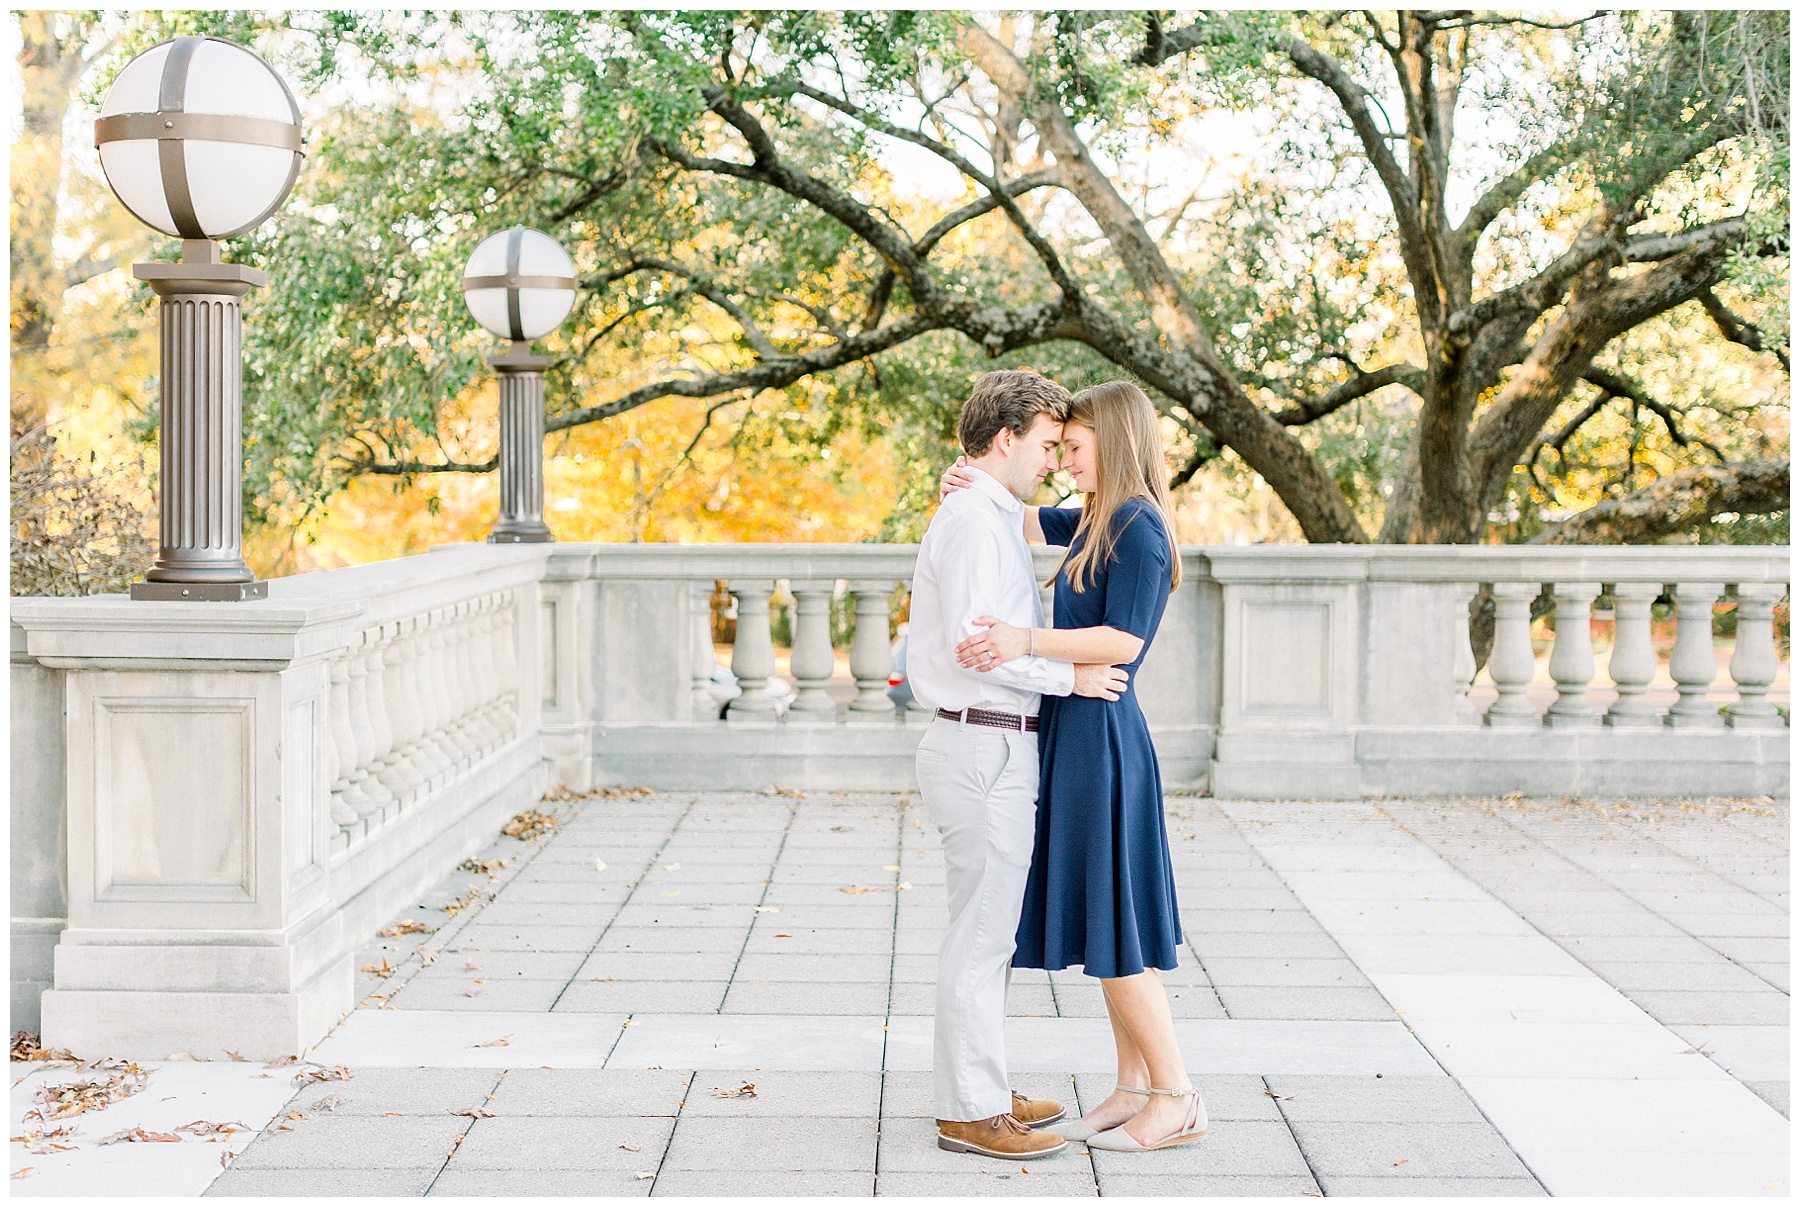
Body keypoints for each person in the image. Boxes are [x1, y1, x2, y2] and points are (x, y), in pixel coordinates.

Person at [941, 380, 1205, 1153]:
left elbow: (1125, 643)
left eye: (1075, 447)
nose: (1061, 461)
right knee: (1103, 917)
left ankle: (1177, 1093)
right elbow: (1017, 511)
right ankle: (1130, 1087)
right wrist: (966, 477)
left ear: (1114, 444)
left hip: (1103, 736)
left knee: (1117, 925)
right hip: (1075, 728)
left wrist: (1023, 640)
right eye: (1056, 447)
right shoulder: (1094, 515)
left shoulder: (1138, 527)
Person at [907, 369, 1130, 1161]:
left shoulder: (989, 512)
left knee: (989, 933)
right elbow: (979, 643)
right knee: (979, 934)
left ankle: (984, 1087)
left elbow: (1080, 524)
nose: (1053, 459)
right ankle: (968, 1109)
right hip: (982, 738)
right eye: (1043, 444)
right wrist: (1070, 675)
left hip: (995, 739)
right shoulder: (972, 520)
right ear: (1005, 438)